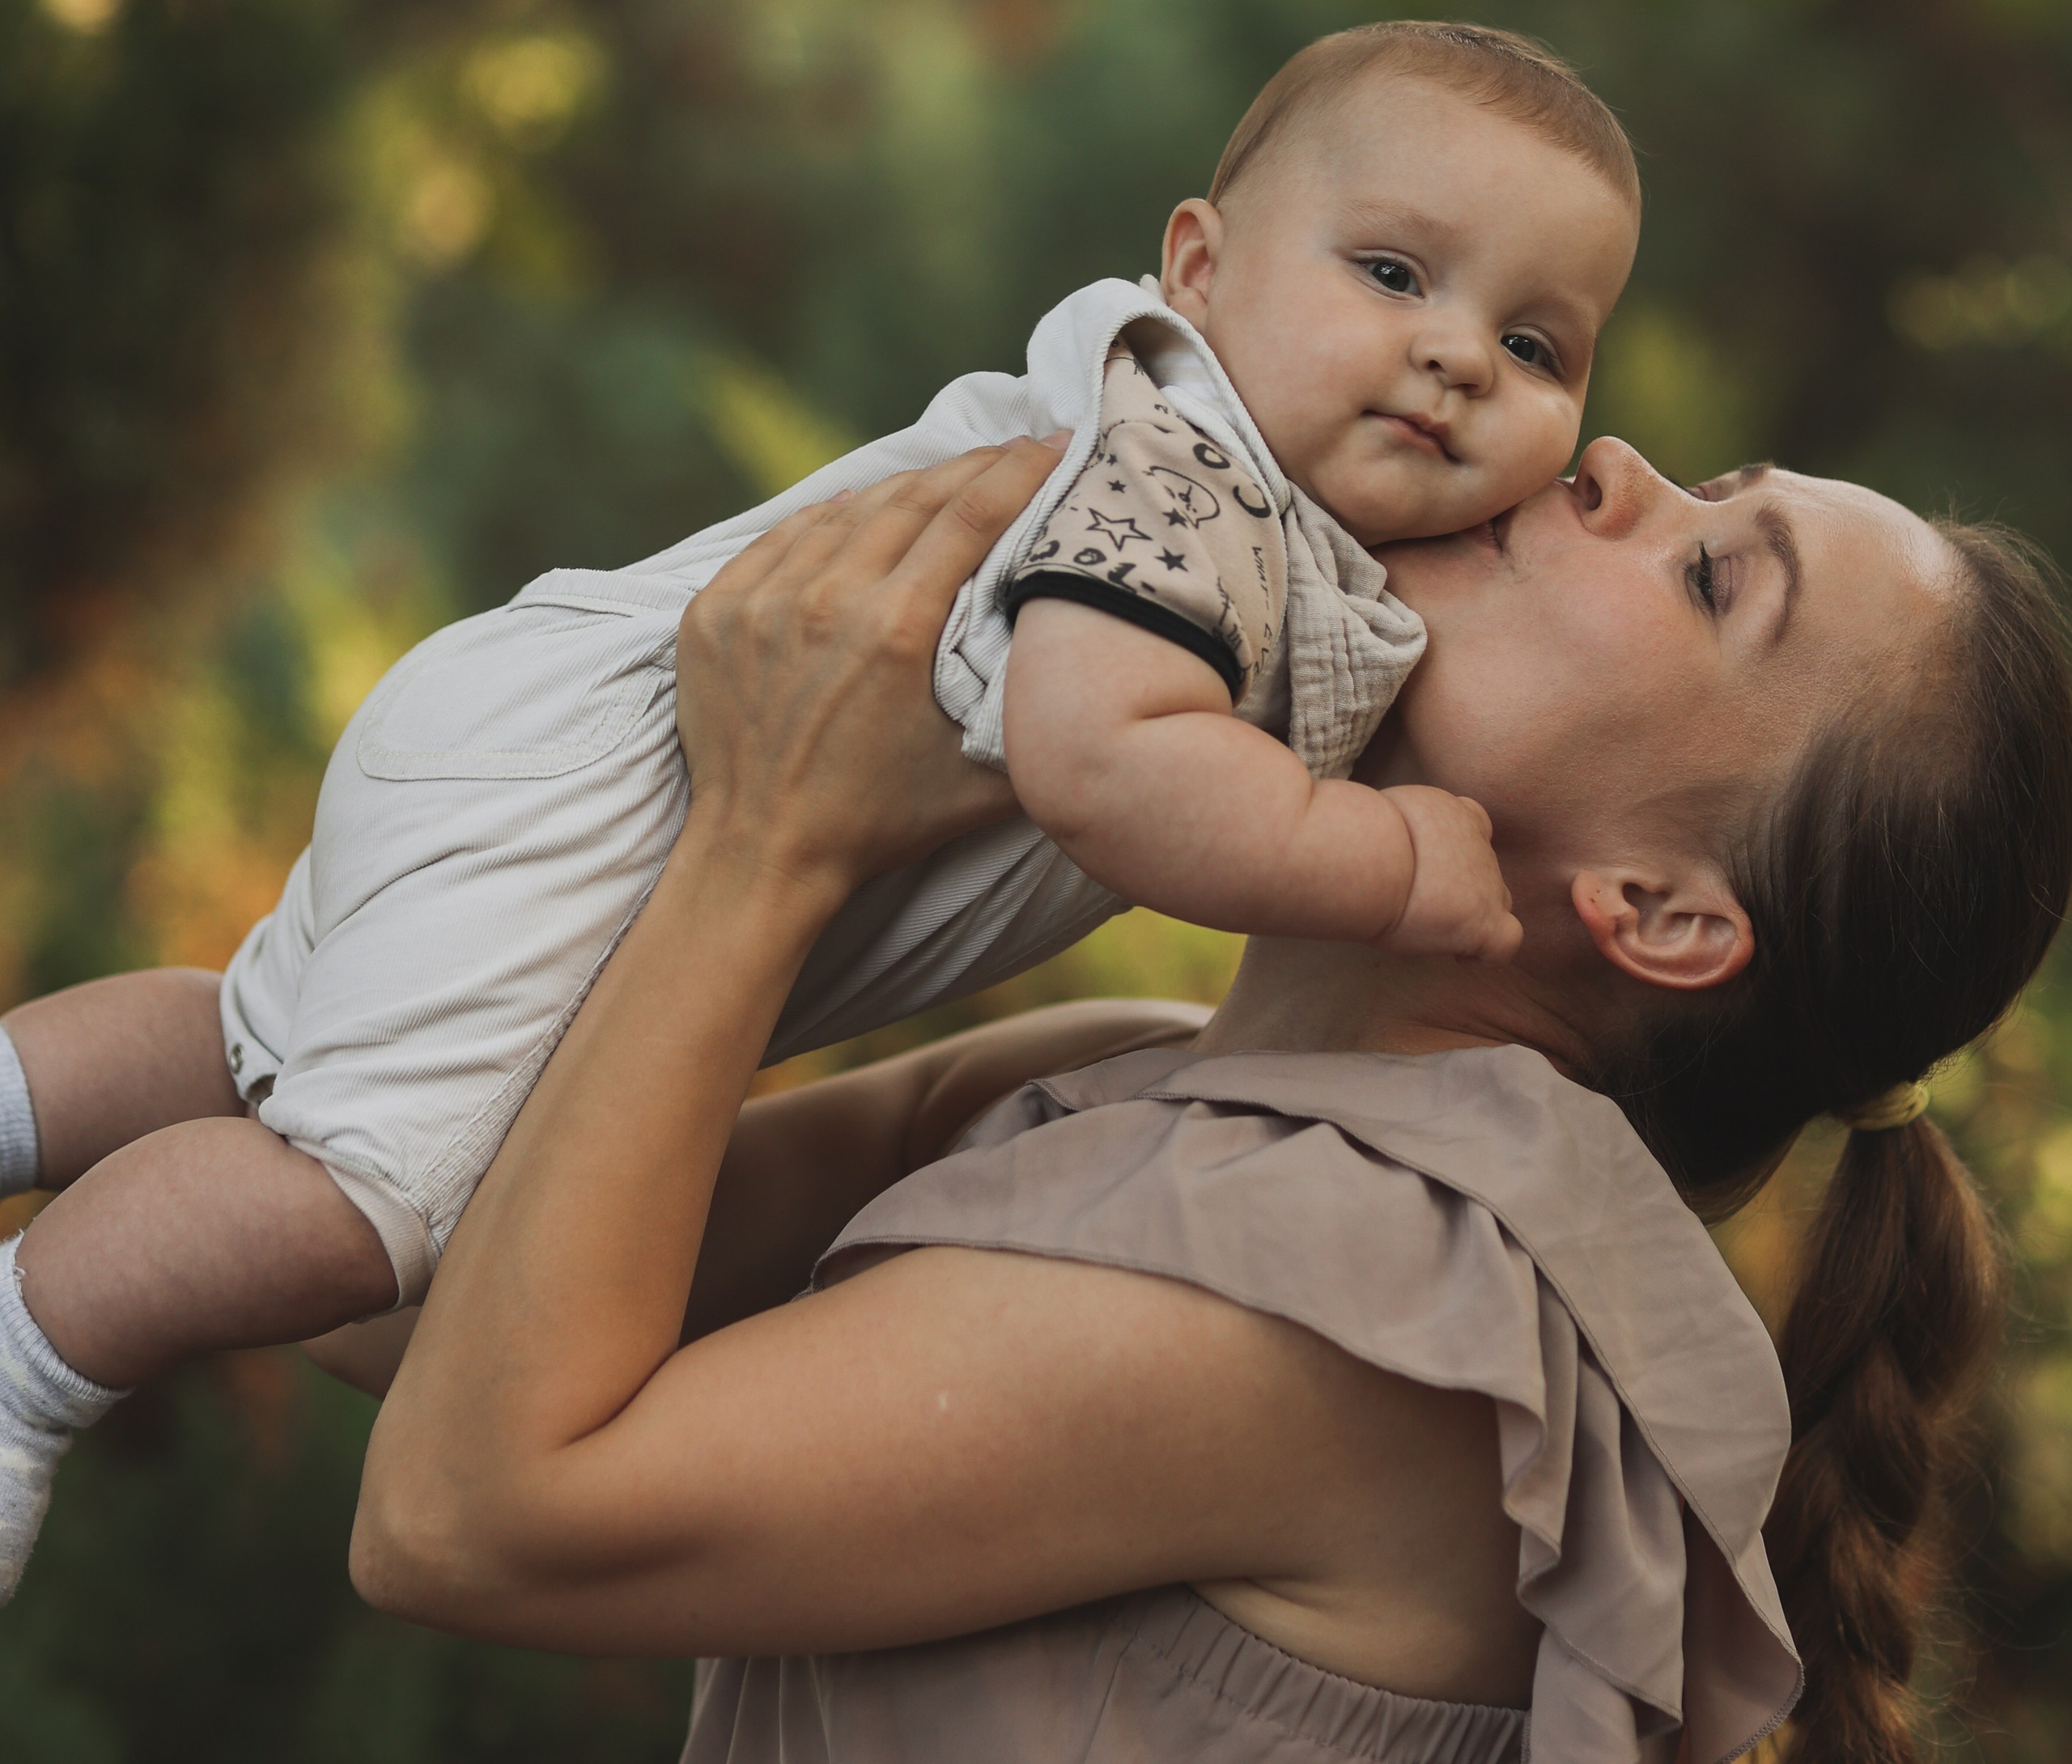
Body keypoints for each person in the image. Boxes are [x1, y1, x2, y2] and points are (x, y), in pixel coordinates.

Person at [0, 19, 1641, 1592]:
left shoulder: (1250, 510)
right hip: (607, 801)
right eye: (1390, 274)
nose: (1450, 356)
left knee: (250, 1044)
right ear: (1200, 272)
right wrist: (1377, 856)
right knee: (348, 1219)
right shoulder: (1189, 486)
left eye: (1530, 345)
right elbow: (1101, 756)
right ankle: (30, 1362)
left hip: (554, 741)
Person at [340, 432, 2072, 1764]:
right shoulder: (1154, 1094)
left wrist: (774, 838)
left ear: (1664, 915)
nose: (1607, 464)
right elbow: (394, 1283)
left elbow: (465, 1516)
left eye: (1709, 577)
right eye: (1699, 486)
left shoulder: (1378, 1294)